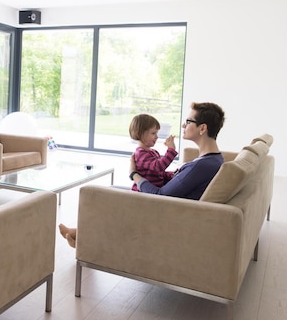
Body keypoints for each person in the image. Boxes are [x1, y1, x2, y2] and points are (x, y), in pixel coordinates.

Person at [59, 101, 226, 248]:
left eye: (189, 121)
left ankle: (85, 239)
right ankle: (83, 234)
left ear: (202, 128)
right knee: (110, 189)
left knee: (99, 196)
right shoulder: (214, 159)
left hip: (160, 211)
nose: (183, 125)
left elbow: (160, 196)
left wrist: (134, 175)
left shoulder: (202, 166)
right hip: (168, 206)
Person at [129, 113, 178, 191]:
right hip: (141, 194)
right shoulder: (141, 154)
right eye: (153, 133)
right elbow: (158, 167)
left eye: (156, 133)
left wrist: (171, 174)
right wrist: (171, 150)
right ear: (139, 134)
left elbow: (158, 173)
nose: (157, 136)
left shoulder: (154, 152)